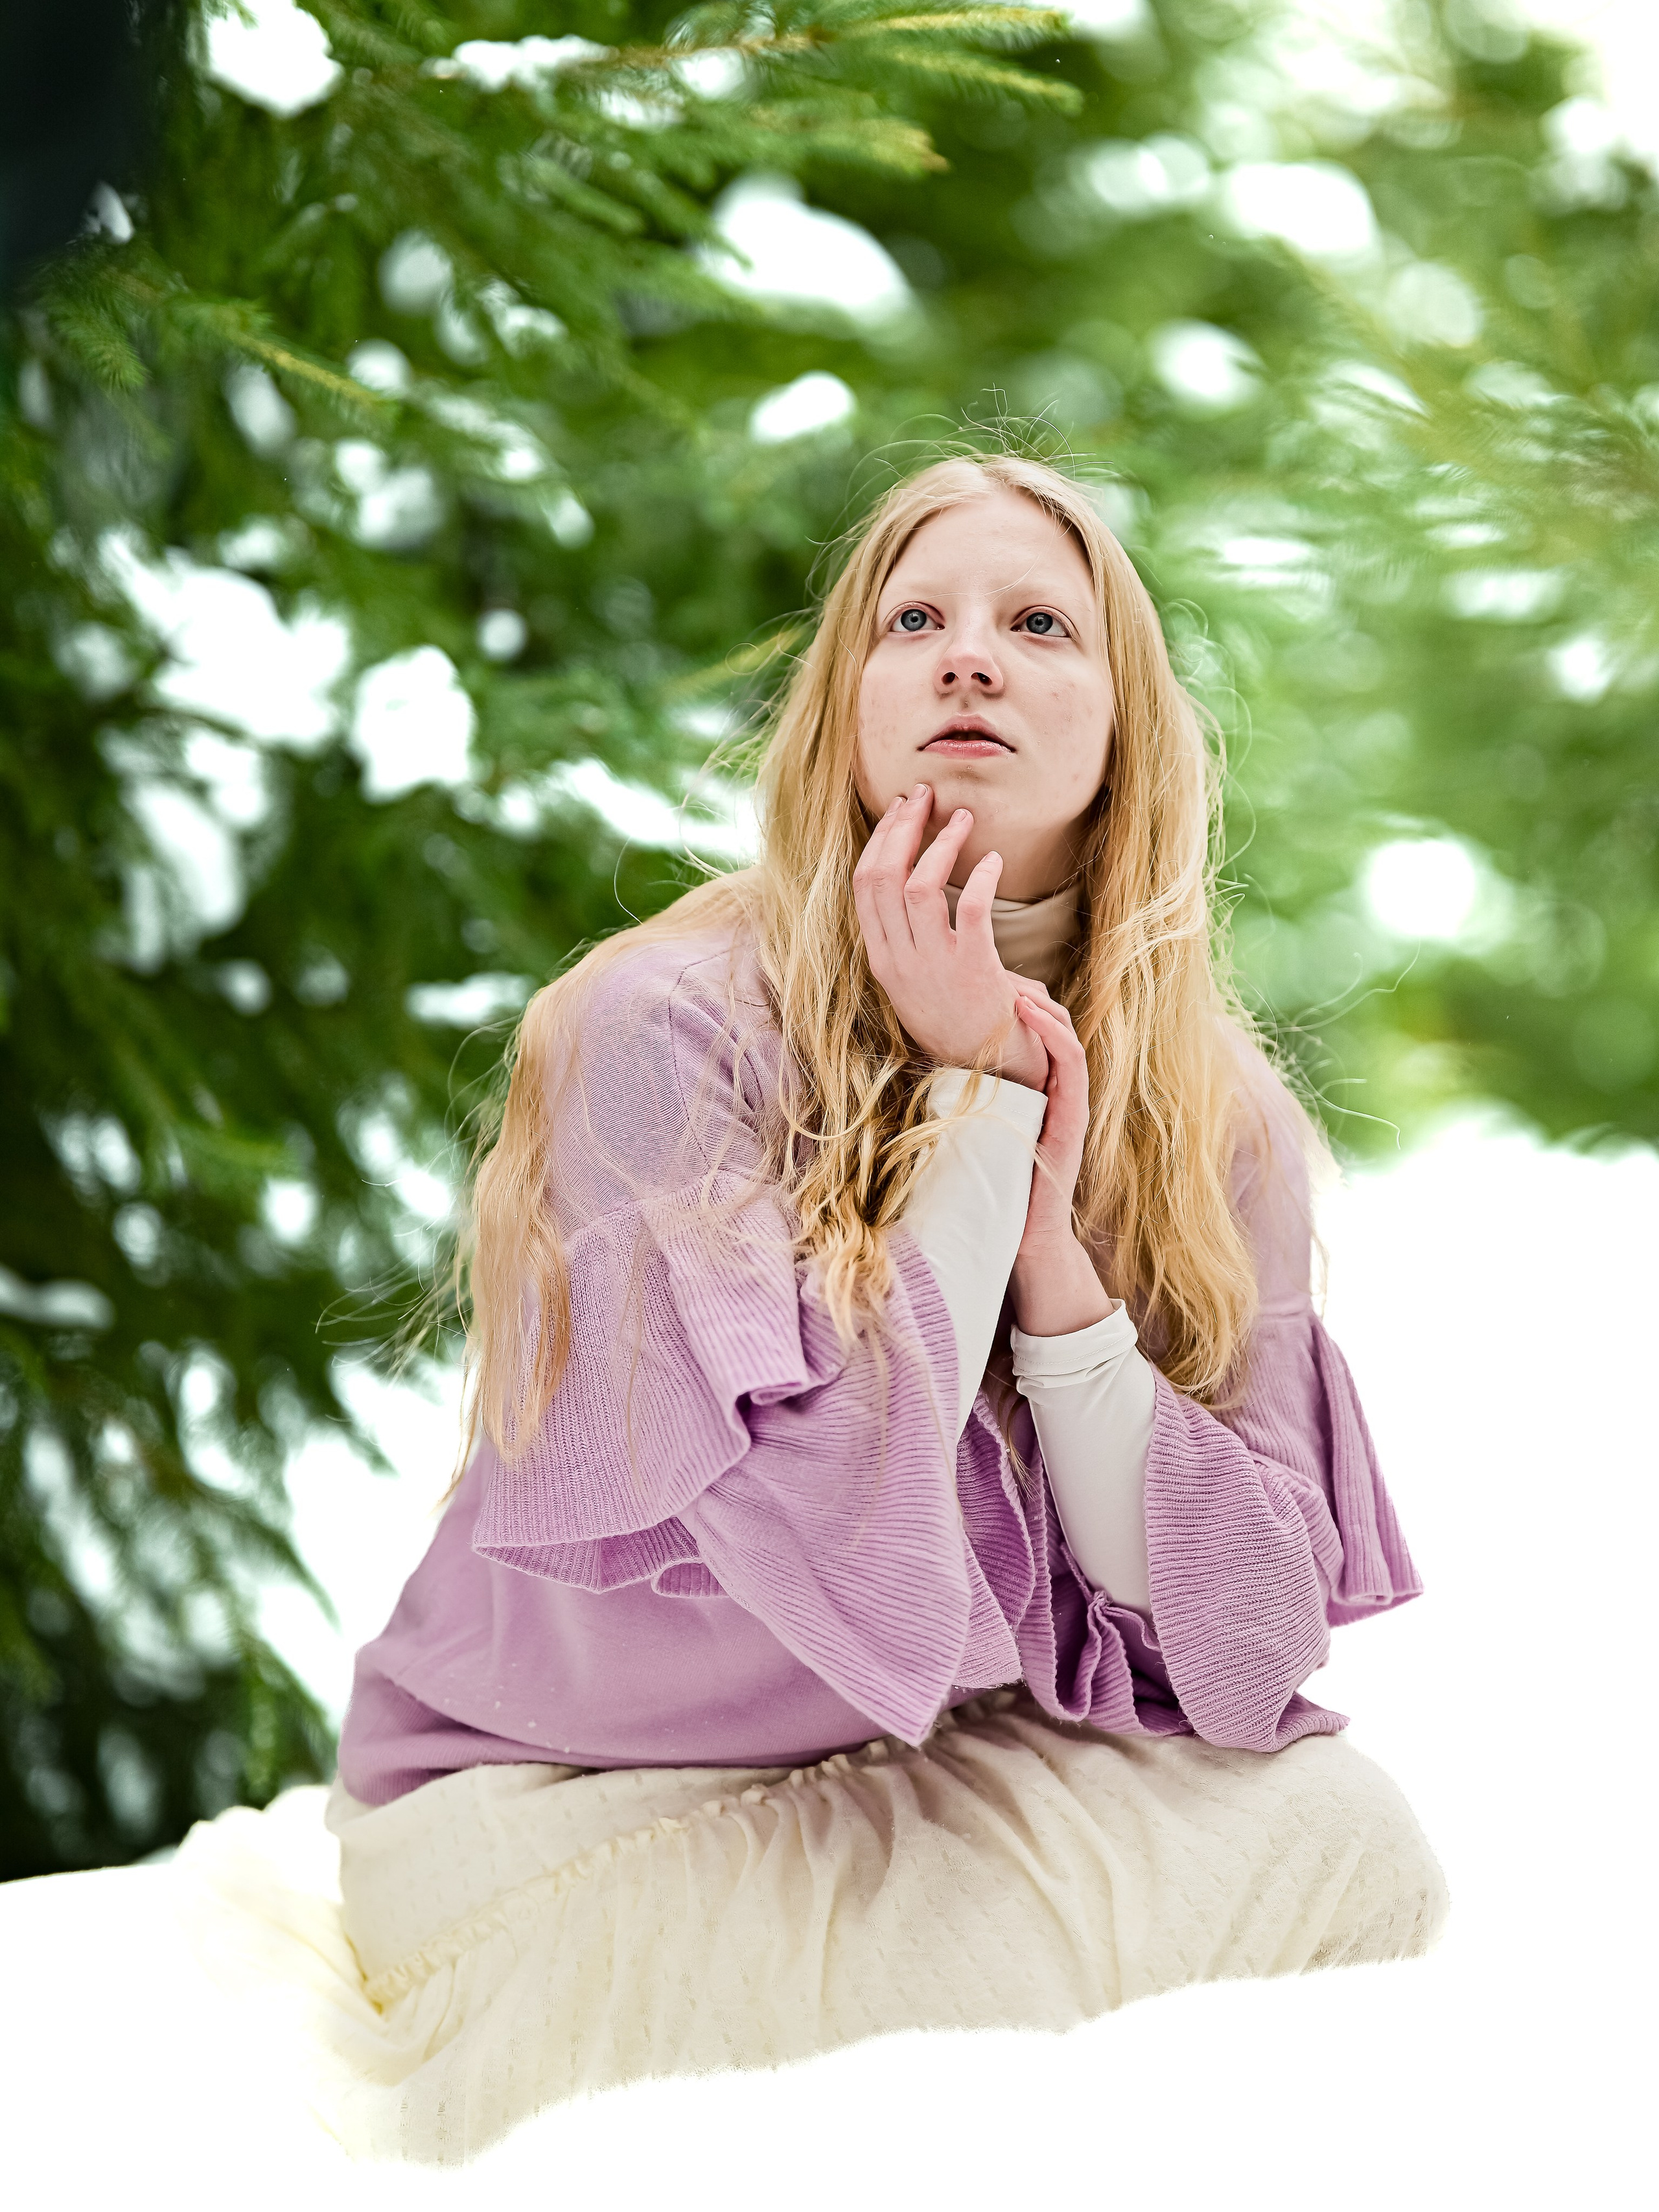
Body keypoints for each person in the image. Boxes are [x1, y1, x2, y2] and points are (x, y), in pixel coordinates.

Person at [320, 451, 1448, 2163]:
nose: (969, 656)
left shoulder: (1217, 1115)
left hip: (918, 1758)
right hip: (568, 1789)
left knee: (1354, 1839)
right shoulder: (660, 1029)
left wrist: (1058, 1269)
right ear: (847, 708)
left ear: (1127, 724)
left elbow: (1241, 1641)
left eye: (1035, 625)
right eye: (915, 618)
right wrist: (975, 1096)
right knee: (869, 2005)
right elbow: (826, 1552)